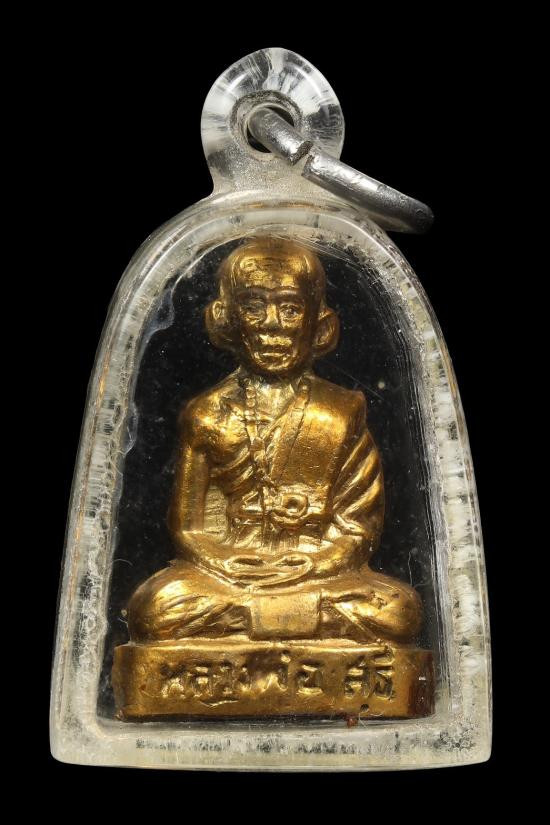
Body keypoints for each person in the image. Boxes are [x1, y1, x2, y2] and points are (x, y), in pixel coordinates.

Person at [127, 238, 422, 644]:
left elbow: (358, 529)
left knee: (398, 610)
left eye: (290, 308)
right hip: (231, 576)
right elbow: (190, 528)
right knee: (155, 607)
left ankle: (253, 619)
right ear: (226, 320)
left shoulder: (339, 413)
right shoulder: (207, 414)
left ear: (320, 325)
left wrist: (312, 564)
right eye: (253, 307)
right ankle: (290, 619)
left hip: (318, 574)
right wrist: (227, 562)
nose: (272, 324)